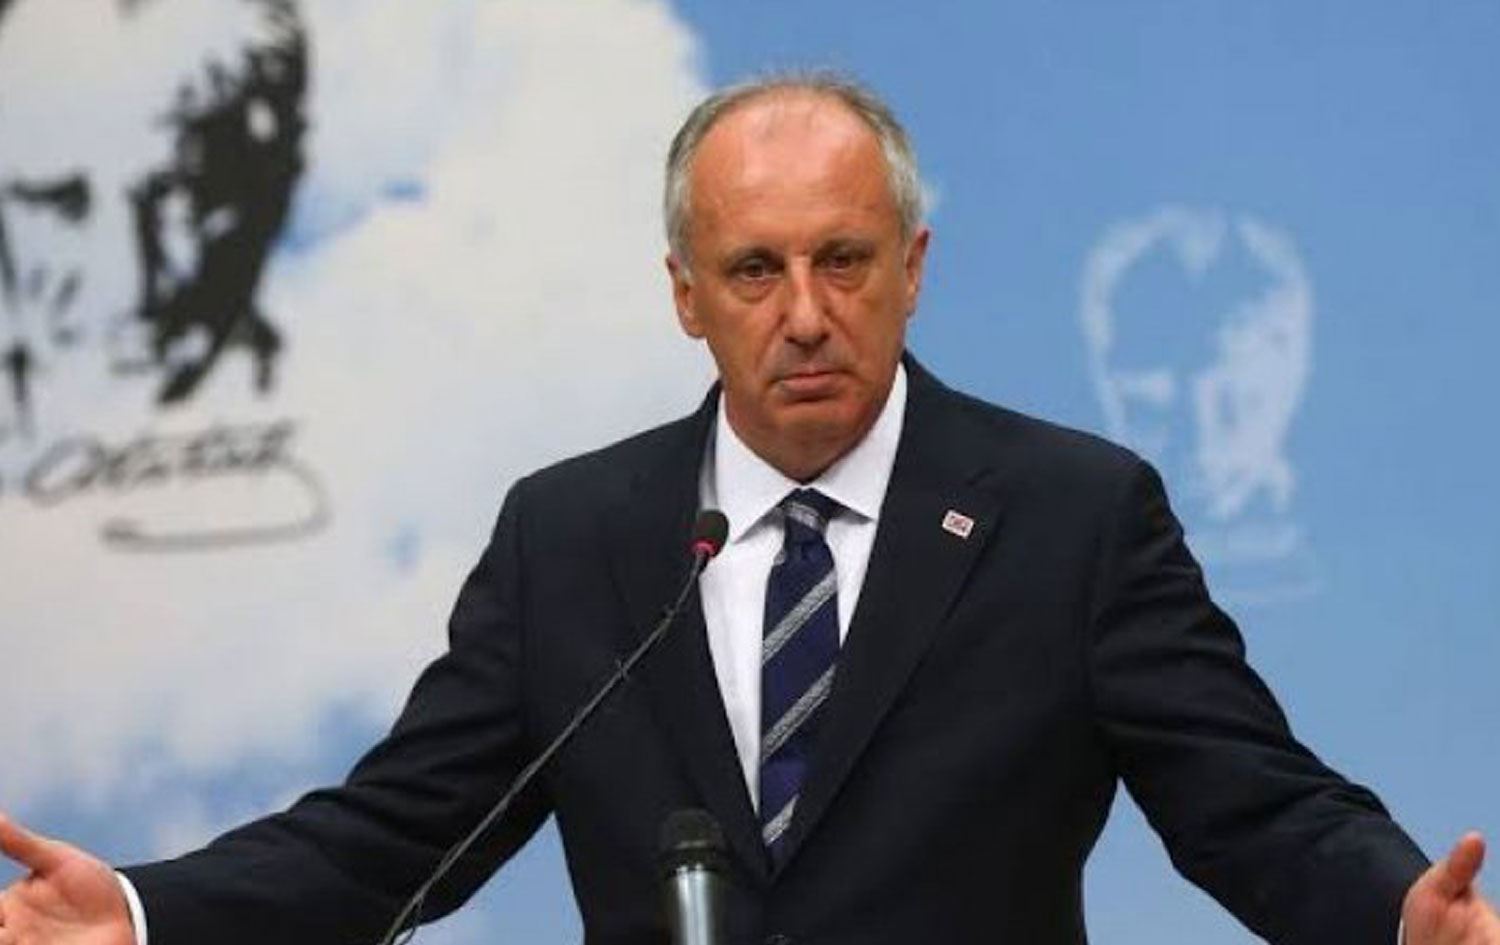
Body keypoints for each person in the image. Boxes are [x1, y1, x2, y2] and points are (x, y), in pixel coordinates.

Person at [1, 74, 1497, 945]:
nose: (805, 315)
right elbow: (395, 835)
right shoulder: (572, 537)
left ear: (915, 269)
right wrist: (142, 912)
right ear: (685, 297)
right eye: (755, 271)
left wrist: (1396, 915)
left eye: (844, 260)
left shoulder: (1072, 516)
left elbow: (1255, 802)